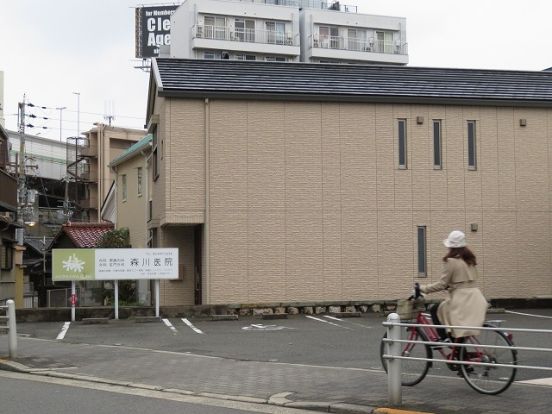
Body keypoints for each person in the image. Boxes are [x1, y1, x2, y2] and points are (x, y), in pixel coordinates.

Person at [416, 230, 488, 339]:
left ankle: (444, 339)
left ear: (451, 246)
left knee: (434, 309)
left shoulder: (451, 261)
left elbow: (442, 284)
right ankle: (458, 351)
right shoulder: (470, 259)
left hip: (461, 300)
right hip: (476, 298)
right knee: (460, 328)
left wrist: (423, 288)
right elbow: (464, 280)